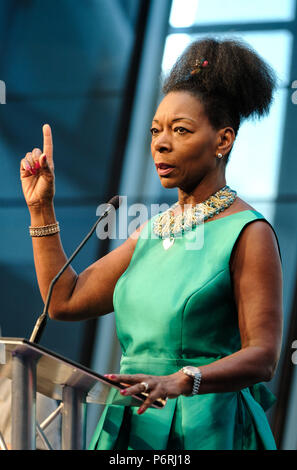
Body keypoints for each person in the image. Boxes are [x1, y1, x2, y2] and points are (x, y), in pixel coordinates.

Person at [20, 37, 283, 450]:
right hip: (132, 424)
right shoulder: (153, 230)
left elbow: (263, 357)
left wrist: (182, 381)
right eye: (156, 130)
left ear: (223, 141)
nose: (161, 142)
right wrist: (41, 209)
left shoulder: (248, 232)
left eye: (181, 130)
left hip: (207, 429)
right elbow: (65, 300)